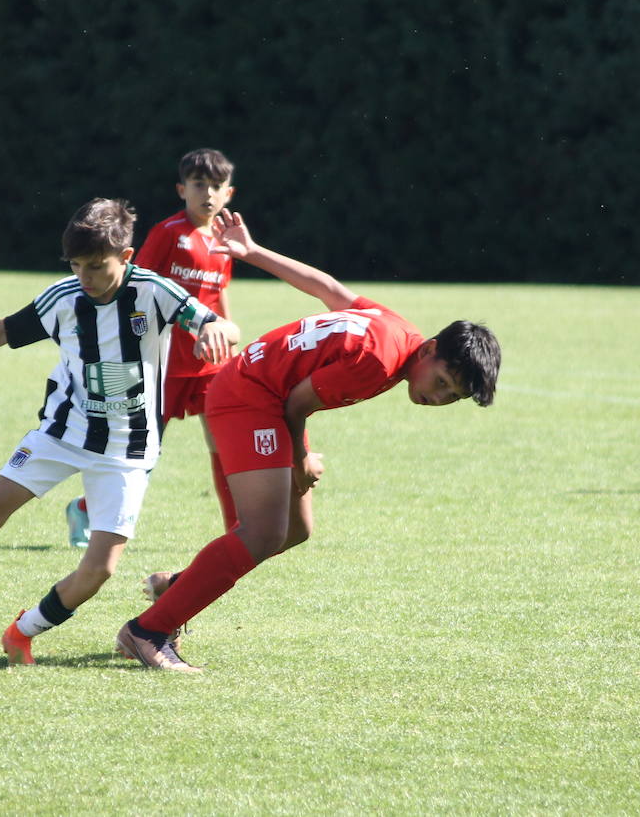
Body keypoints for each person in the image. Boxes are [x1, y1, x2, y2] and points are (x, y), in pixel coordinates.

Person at [0, 199, 240, 665]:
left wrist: (218, 330)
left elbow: (222, 324)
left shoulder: (154, 292)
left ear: (128, 257)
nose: (86, 277)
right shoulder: (63, 299)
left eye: (96, 266)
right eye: (77, 266)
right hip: (60, 433)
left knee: (99, 570)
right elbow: (2, 330)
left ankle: (23, 630)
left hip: (127, 450)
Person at [114, 211, 501, 672]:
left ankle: (178, 586)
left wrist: (254, 252)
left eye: (451, 398)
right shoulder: (378, 362)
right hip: (250, 397)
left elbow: (327, 288)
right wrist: (302, 458)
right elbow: (295, 405)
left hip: (265, 393)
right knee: (262, 533)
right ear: (431, 349)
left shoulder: (397, 328)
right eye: (441, 383)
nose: (438, 397)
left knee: (296, 530)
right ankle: (147, 631)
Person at [64, 148, 238, 548]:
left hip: (209, 364)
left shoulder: (223, 241)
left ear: (229, 193)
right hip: (163, 364)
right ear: (182, 189)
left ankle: (237, 528)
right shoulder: (169, 233)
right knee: (145, 450)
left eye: (216, 187)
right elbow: (136, 285)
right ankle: (88, 509)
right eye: (198, 185)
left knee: (223, 442)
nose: (207, 194)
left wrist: (225, 337)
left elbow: (218, 298)